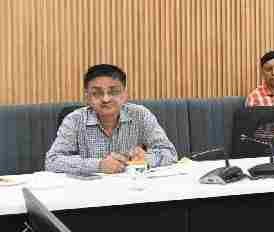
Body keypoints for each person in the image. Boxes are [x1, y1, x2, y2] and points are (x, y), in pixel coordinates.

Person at [46, 64, 178, 174]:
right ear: (87, 97)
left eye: (113, 92)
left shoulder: (140, 115)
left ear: (125, 94)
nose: (106, 99)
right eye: (97, 93)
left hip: (132, 189)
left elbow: (170, 153)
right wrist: (99, 165)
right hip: (90, 192)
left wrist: (147, 158)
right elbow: (52, 161)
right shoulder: (74, 120)